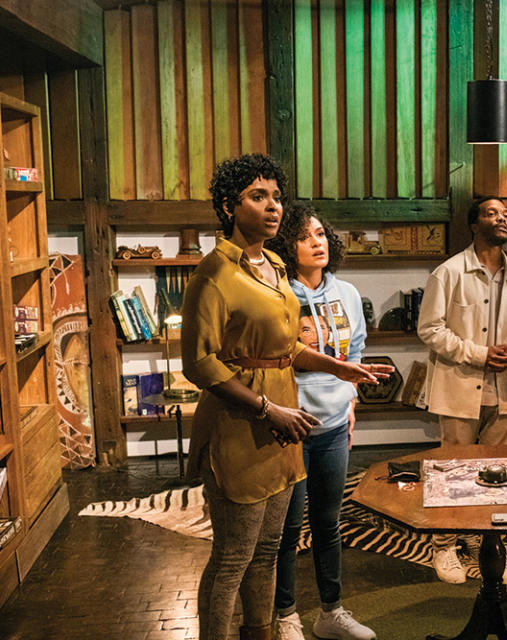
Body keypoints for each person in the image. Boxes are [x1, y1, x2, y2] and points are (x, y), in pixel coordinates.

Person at [181, 154, 390, 640]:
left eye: (277, 196)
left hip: (286, 425)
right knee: (234, 555)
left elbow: (287, 347)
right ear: (231, 205)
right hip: (242, 424)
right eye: (259, 197)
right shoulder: (214, 272)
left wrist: (341, 368)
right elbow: (201, 363)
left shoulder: (273, 264)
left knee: (271, 546)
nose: (273, 206)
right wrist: (267, 408)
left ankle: (265, 630)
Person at [265, 204, 376, 640]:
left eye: (321, 234)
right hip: (290, 428)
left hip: (333, 426)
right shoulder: (277, 293)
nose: (318, 241)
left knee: (329, 523)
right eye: (305, 236)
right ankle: (285, 614)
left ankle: (331, 611)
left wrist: (351, 403)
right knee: (288, 528)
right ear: (285, 246)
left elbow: (356, 352)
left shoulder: (346, 293)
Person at [417, 196, 507, 584]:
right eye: (492, 213)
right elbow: (429, 329)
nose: (502, 218)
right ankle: (445, 545)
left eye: (506, 214)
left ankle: (493, 550)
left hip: (505, 390)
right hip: (459, 387)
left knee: (500, 476)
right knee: (452, 473)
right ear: (473, 224)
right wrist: (478, 354)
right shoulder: (447, 272)